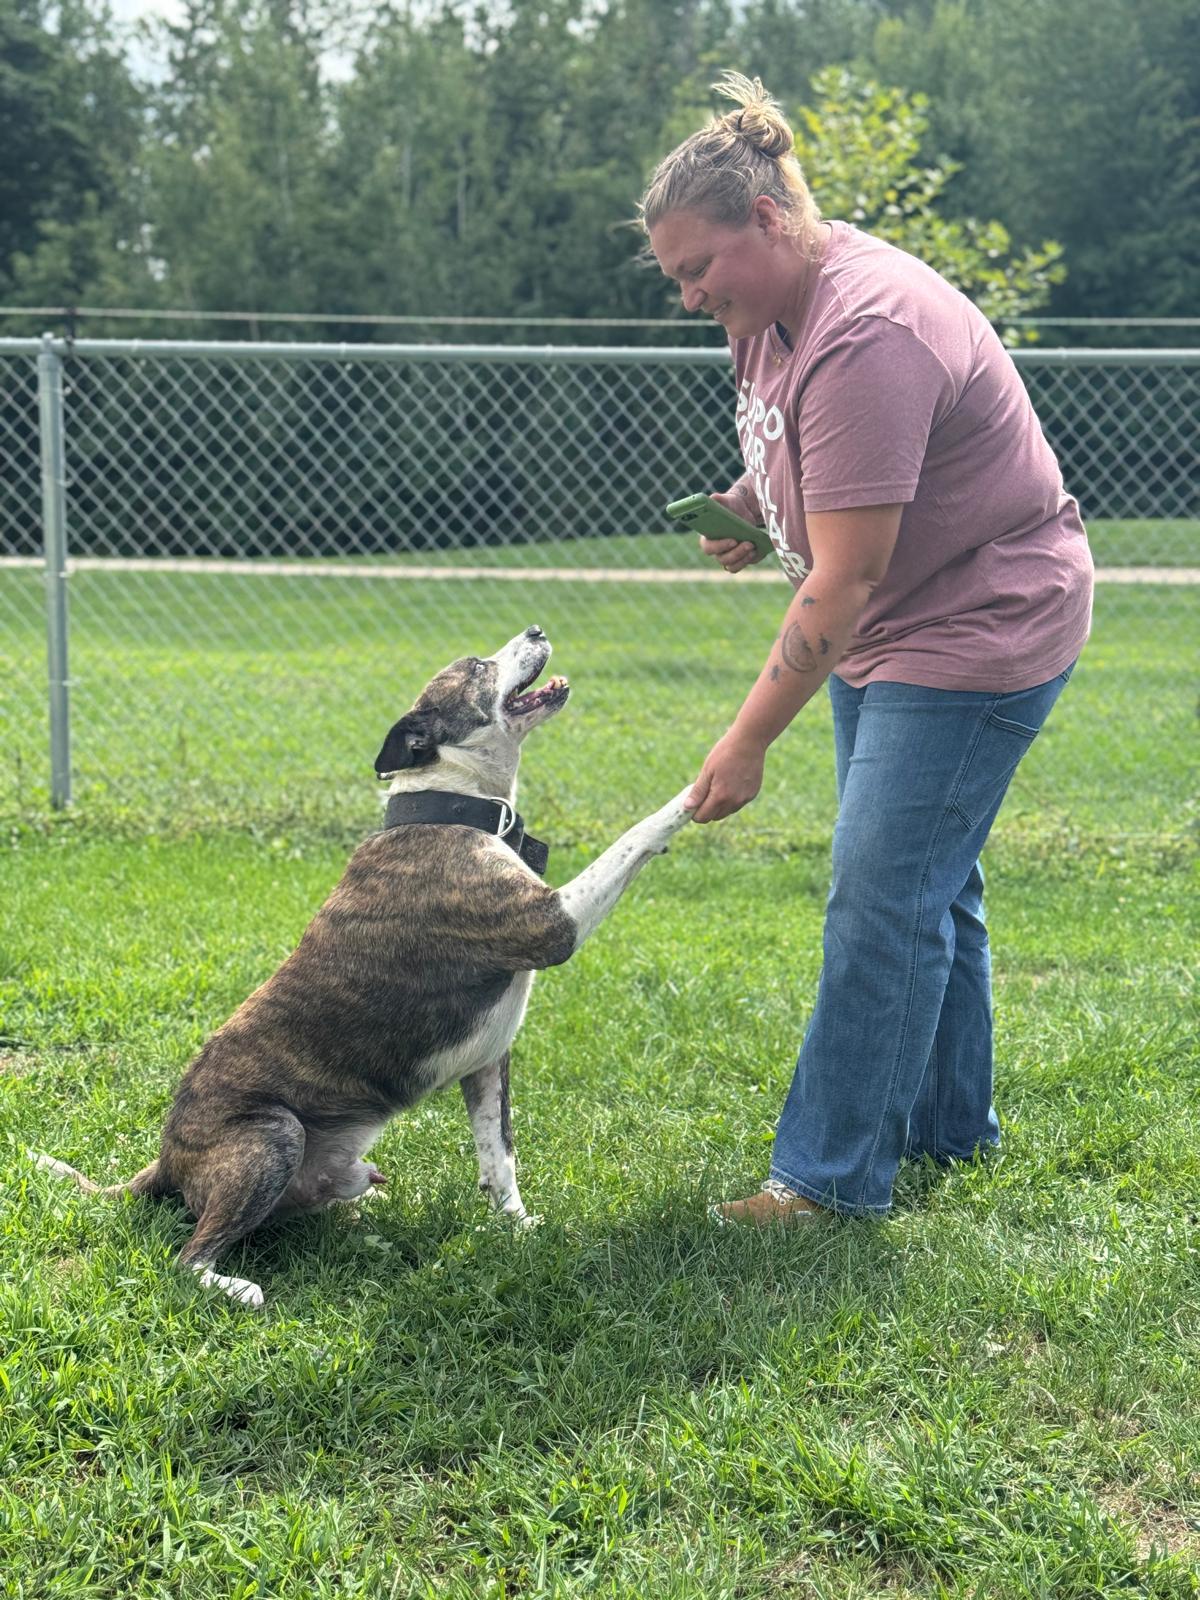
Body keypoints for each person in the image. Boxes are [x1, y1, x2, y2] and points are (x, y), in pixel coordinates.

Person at [642, 73, 1094, 1224]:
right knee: (929, 881)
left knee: (881, 898)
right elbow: (802, 440)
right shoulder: (775, 312)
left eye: (700, 268)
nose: (691, 296)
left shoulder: (868, 330)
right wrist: (757, 500)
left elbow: (845, 581)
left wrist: (744, 744)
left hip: (978, 625)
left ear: (768, 219)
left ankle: (829, 1182)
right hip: (897, 629)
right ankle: (950, 1127)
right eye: (675, 278)